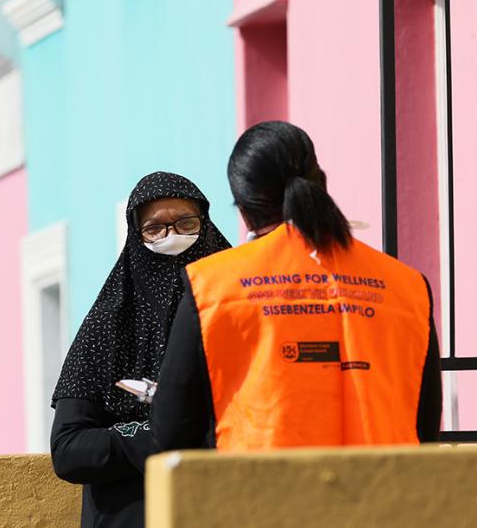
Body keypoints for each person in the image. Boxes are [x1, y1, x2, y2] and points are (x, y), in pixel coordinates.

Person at [153, 120, 441, 451]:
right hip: (387, 493)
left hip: (259, 495)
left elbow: (173, 430)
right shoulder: (408, 286)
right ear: (322, 184)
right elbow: (426, 425)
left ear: (245, 210)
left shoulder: (211, 284)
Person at [50, 172, 231, 528]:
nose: (171, 236)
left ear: (206, 225)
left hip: (225, 517)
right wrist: (148, 437)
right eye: (154, 228)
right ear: (136, 235)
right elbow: (69, 448)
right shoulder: (110, 323)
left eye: (184, 222)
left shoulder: (237, 307)